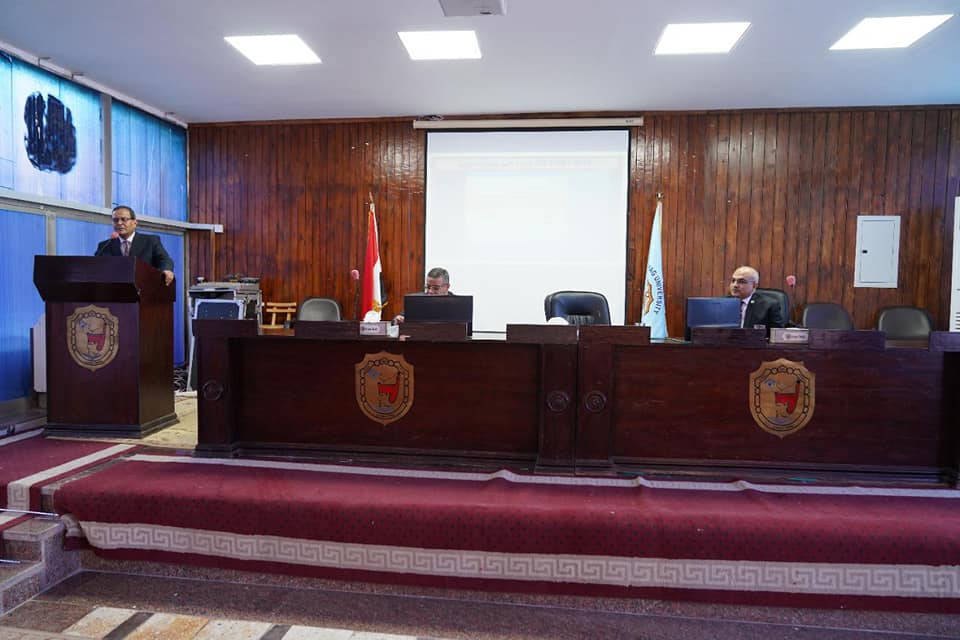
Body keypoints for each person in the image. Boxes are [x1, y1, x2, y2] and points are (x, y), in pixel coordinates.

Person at [95, 205, 175, 286]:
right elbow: (96, 267)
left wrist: (166, 269)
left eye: (124, 219)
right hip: (114, 290)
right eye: (115, 220)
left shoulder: (150, 241)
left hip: (145, 289)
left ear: (135, 223)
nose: (119, 223)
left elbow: (165, 259)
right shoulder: (104, 246)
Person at [729, 265, 785, 330]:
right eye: (733, 281)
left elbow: (777, 333)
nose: (735, 285)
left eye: (741, 281)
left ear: (754, 285)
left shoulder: (768, 305)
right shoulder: (723, 303)